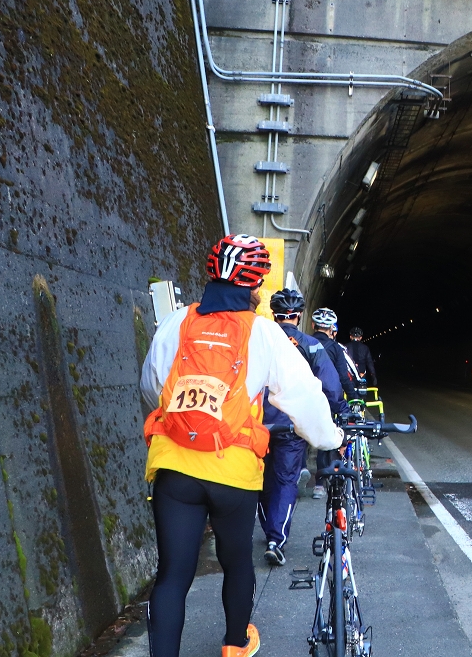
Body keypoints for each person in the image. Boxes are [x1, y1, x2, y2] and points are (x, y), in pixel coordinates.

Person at [141, 234, 344, 657]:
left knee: (172, 575)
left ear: (213, 273)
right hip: (233, 471)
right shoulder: (265, 334)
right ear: (255, 286)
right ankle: (235, 645)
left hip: (175, 465)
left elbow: (152, 386)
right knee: (236, 562)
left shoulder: (177, 323)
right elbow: (302, 396)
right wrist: (331, 440)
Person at [259, 288, 348, 566]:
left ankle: (269, 529)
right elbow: (331, 385)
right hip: (291, 425)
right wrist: (342, 412)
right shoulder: (310, 345)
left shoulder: (258, 343)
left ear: (274, 315)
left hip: (257, 424)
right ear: (299, 316)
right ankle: (276, 538)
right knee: (286, 479)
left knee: (260, 480)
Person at [311, 307, 357, 402]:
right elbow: (343, 377)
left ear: (312, 325)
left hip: (307, 396)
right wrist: (355, 397)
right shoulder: (336, 348)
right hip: (329, 397)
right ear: (332, 327)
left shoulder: (303, 342)